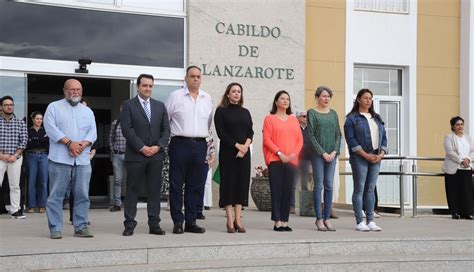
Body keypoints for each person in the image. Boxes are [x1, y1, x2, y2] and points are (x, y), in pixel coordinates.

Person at [44, 79, 97, 239]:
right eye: (72, 89)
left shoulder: (88, 111)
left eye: (78, 89)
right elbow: (51, 128)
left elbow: (92, 133)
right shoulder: (53, 107)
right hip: (60, 160)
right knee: (56, 196)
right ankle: (55, 228)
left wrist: (80, 145)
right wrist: (69, 143)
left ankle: (80, 226)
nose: (75, 92)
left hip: (82, 161)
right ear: (64, 90)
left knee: (82, 195)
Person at [120, 74, 170, 236]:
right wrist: (142, 147)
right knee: (132, 190)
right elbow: (127, 130)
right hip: (136, 156)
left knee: (154, 191)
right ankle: (129, 224)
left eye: (150, 86)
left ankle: (154, 224)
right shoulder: (128, 105)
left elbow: (166, 130)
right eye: (145, 85)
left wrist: (158, 147)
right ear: (138, 87)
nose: (148, 88)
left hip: (156, 156)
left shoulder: (160, 106)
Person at [166, 66, 213, 234]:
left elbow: (208, 123)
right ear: (186, 78)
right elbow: (166, 120)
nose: (195, 79)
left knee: (196, 185)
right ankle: (178, 222)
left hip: (199, 145)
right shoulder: (175, 96)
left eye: (198, 76)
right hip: (179, 144)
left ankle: (191, 221)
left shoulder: (207, 98)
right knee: (177, 184)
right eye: (192, 76)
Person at [344, 88, 387, 232]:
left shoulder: (377, 118)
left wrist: (381, 154)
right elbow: (351, 140)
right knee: (359, 189)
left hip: (376, 157)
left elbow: (384, 138)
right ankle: (359, 221)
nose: (368, 100)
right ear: (358, 100)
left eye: (370, 98)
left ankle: (371, 220)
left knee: (370, 189)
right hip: (360, 157)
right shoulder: (352, 118)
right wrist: (365, 155)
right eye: (365, 98)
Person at [214, 82, 254, 233]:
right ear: (228, 94)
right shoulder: (221, 111)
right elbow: (221, 133)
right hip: (228, 153)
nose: (237, 94)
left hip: (244, 154)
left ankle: (238, 219)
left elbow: (251, 132)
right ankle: (229, 219)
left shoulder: (245, 112)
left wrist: (245, 147)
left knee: (241, 185)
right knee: (229, 185)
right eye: (234, 91)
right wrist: (238, 146)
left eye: (239, 91)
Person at [263, 90, 303, 232]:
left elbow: (299, 140)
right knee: (277, 190)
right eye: (282, 98)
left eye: (287, 99)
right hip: (276, 160)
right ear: (276, 102)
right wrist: (280, 153)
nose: (285, 101)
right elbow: (267, 139)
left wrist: (293, 155)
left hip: (291, 160)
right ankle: (277, 221)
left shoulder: (293, 120)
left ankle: (285, 220)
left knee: (288, 191)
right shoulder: (269, 119)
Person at [307, 86, 341, 232]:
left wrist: (334, 151)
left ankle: (327, 218)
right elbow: (311, 135)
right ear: (317, 97)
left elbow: (338, 134)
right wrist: (322, 153)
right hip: (318, 155)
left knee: (329, 185)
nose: (326, 99)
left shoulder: (333, 114)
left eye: (328, 96)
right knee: (319, 185)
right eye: (323, 96)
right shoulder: (312, 113)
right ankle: (319, 218)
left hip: (332, 155)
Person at [0, 95, 28, 219]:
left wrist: (15, 155)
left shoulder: (20, 122)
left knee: (15, 185)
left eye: (11, 104)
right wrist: (1, 155)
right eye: (6, 105)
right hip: (0, 158)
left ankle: (15, 210)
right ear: (1, 107)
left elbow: (24, 141)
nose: (9, 107)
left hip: (15, 159)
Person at [442, 116, 473, 220]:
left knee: (467, 191)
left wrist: (468, 160)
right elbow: (450, 152)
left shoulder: (468, 137)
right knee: (453, 191)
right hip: (453, 168)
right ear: (453, 126)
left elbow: (472, 151)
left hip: (466, 168)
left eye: (461, 124)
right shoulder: (449, 137)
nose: (460, 126)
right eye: (457, 124)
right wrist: (461, 160)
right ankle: (455, 212)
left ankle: (467, 213)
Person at [25, 111, 49, 214]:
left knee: (43, 181)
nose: (39, 120)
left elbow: (48, 144)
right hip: (31, 155)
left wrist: (35, 141)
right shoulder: (28, 131)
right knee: (31, 181)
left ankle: (42, 205)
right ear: (33, 119)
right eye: (37, 118)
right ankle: (31, 206)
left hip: (44, 156)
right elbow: (27, 144)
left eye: (41, 119)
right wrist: (38, 142)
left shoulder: (46, 131)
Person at [109, 105, 126, 212]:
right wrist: (113, 150)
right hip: (117, 155)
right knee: (117, 180)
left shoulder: (133, 124)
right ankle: (117, 204)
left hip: (130, 155)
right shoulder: (115, 123)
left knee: (131, 180)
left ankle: (130, 203)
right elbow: (110, 138)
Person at [196, 131, 216, 220]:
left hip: (205, 161)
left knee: (201, 186)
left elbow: (212, 146)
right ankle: (191, 209)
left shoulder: (208, 131)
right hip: (192, 160)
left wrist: (211, 159)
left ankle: (199, 210)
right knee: (191, 186)